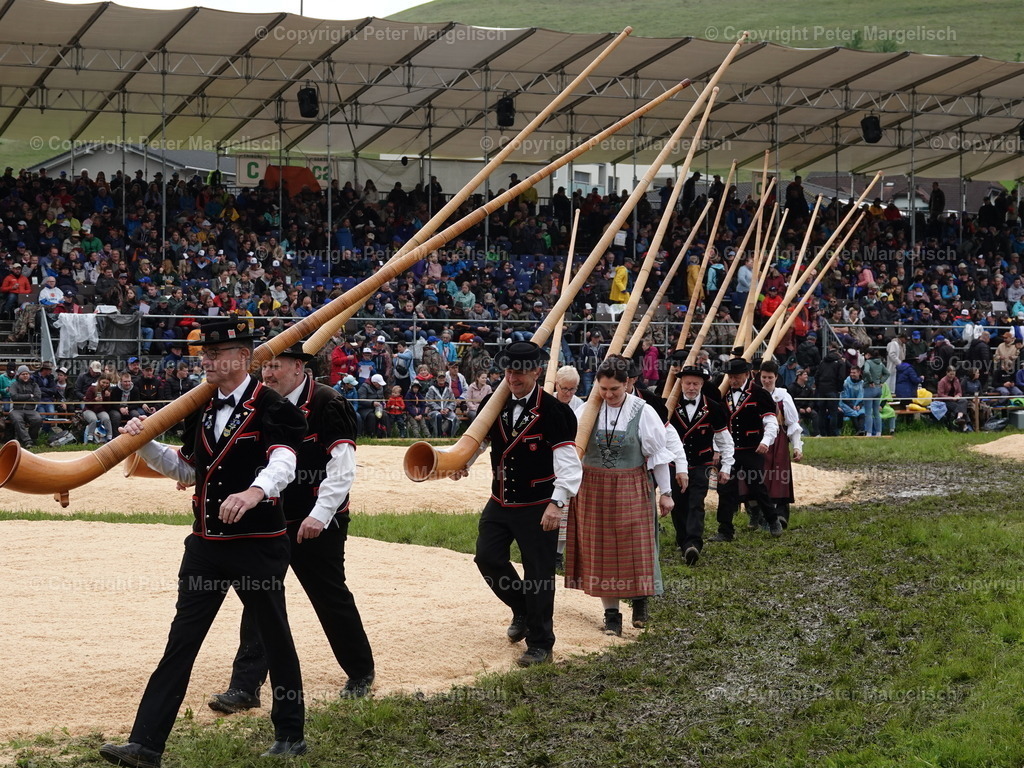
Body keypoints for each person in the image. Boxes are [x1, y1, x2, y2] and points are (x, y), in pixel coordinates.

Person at [101, 316, 309, 767]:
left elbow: (285, 463)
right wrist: (144, 442)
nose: (207, 361)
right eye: (204, 354)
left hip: (257, 544)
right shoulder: (199, 407)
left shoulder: (275, 408)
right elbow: (191, 471)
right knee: (180, 642)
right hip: (205, 546)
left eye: (216, 354)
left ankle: (291, 732)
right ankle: (145, 745)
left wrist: (255, 491)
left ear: (243, 357)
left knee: (274, 637)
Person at [208, 342, 375, 718]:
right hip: (270, 519)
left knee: (328, 594)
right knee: (260, 598)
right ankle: (245, 687)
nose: (267, 374)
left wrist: (320, 515)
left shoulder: (329, 402)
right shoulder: (261, 403)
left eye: (276, 366)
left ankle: (360, 671)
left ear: (299, 367)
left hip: (318, 518)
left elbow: (343, 467)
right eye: (263, 367)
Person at [451, 341, 582, 667]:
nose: (513, 377)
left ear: (537, 372)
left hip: (539, 504)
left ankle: (541, 644)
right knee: (487, 557)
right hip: (501, 499)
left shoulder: (555, 411)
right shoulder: (495, 404)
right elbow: (480, 439)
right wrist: (463, 462)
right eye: (509, 371)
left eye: (520, 371)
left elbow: (568, 463)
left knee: (539, 573)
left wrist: (558, 503)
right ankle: (522, 608)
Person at [566, 354, 673, 635]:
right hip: (592, 490)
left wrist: (667, 492)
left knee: (635, 546)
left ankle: (640, 600)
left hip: (631, 486)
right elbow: (570, 453)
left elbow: (658, 456)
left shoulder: (643, 411)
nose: (609, 394)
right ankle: (611, 614)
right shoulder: (586, 412)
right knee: (599, 551)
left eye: (615, 389)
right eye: (603, 388)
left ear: (627, 384)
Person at [667, 364, 734, 566]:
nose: (691, 387)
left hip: (701, 464)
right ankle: (682, 540)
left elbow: (725, 439)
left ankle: (693, 543)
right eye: (687, 383)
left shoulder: (713, 407)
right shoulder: (670, 406)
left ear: (702, 384)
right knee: (678, 504)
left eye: (696, 383)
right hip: (675, 465)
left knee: (697, 503)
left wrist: (726, 467)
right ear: (681, 383)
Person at [712, 357, 783, 542]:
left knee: (757, 486)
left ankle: (772, 519)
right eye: (730, 377)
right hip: (730, 451)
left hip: (752, 449)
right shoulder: (722, 394)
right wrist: (716, 448)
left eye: (736, 376)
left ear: (747, 374)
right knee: (725, 488)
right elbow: (717, 425)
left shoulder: (760, 394)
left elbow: (771, 422)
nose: (733, 380)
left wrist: (766, 441)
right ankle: (725, 530)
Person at [757, 360, 803, 528]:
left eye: (770, 377)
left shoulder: (784, 396)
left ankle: (782, 514)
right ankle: (762, 516)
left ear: (776, 377)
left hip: (779, 442)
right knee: (761, 478)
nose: (766, 381)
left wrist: (797, 447)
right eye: (763, 377)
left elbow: (792, 423)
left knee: (780, 477)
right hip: (759, 442)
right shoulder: (755, 395)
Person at [8, 364, 42, 448]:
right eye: (23, 374)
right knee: (18, 420)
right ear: (19, 375)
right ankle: (27, 441)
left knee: (38, 419)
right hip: (16, 409)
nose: (25, 376)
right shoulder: (14, 384)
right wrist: (29, 396)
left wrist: (22, 397)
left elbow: (37, 398)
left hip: (31, 410)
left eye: (27, 374)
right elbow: (14, 397)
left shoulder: (34, 385)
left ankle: (32, 439)